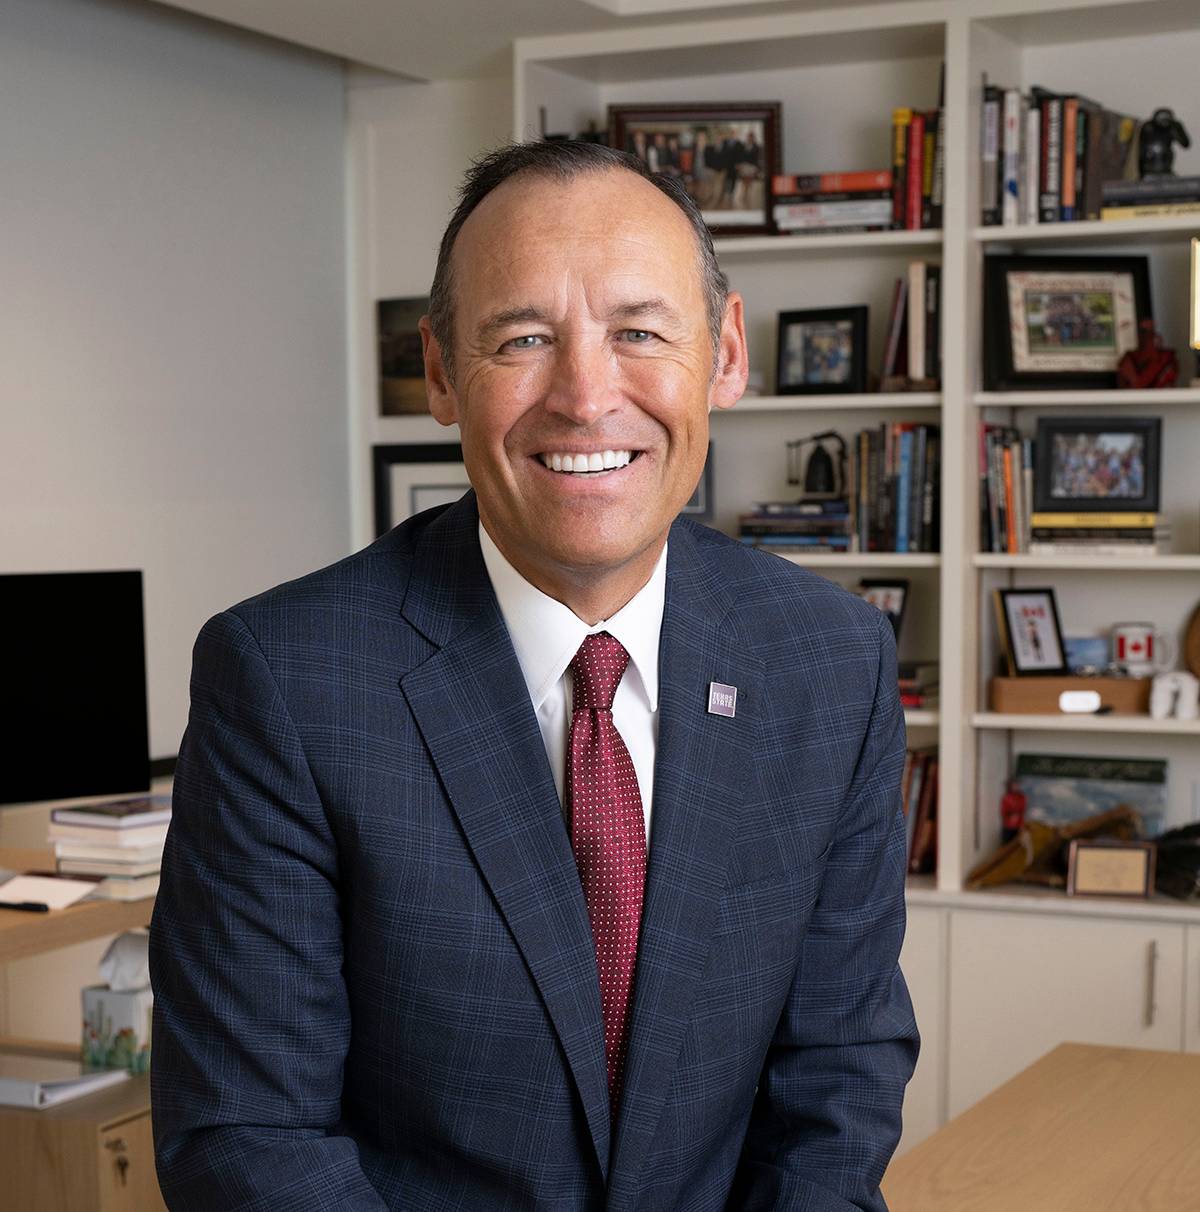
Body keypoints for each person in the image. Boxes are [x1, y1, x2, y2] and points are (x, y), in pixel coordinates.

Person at [149, 139, 918, 1211]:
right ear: (443, 374)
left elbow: (839, 1076)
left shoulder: (830, 660)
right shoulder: (285, 678)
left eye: (640, 331)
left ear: (727, 353)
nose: (586, 396)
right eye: (522, 339)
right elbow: (250, 1135)